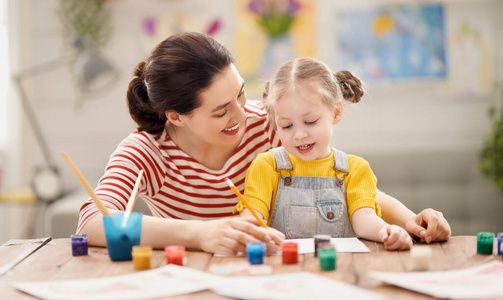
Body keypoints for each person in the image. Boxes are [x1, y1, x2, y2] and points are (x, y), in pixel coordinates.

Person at [76, 32, 450, 255]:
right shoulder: (146, 151)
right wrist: (200, 233)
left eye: (240, 95)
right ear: (176, 116)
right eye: (222, 111)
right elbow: (94, 222)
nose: (242, 114)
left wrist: (412, 221)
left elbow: (347, 189)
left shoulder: (270, 125)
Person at [234, 57, 413, 250]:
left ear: (336, 112)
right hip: (286, 271)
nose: (300, 135)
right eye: (286, 126)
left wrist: (387, 232)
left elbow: (364, 220)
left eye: (310, 121)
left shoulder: (355, 169)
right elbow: (252, 216)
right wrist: (248, 231)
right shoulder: (267, 166)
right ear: (274, 123)